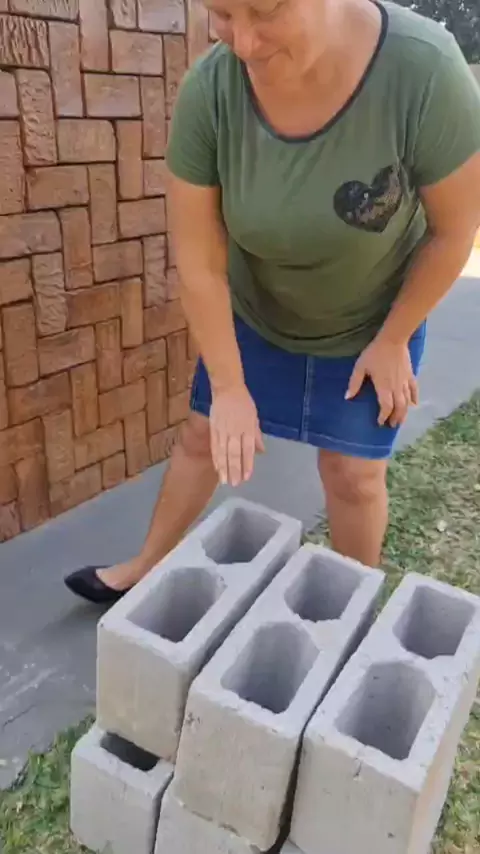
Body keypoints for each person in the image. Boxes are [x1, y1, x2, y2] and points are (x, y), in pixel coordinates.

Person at [65, 0, 480, 605]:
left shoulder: (425, 70)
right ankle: (144, 565)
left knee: (354, 475)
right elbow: (200, 262)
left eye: (265, 12)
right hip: (257, 312)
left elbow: (454, 231)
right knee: (202, 436)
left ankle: (349, 608)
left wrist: (395, 337)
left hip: (374, 320)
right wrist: (229, 387)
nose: (242, 43)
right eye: (221, 13)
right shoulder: (209, 92)